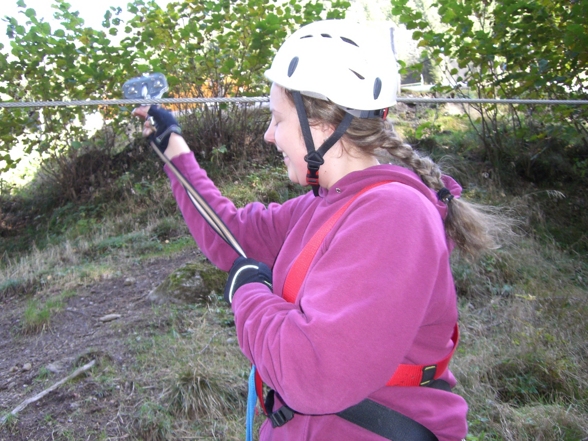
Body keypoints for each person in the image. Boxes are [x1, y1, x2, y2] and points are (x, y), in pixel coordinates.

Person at [133, 19, 500, 441]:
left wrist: (249, 293)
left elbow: (313, 373)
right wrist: (171, 145)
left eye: (277, 119)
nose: (269, 136)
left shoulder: (393, 216)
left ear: (322, 125)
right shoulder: (327, 202)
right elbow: (232, 235)